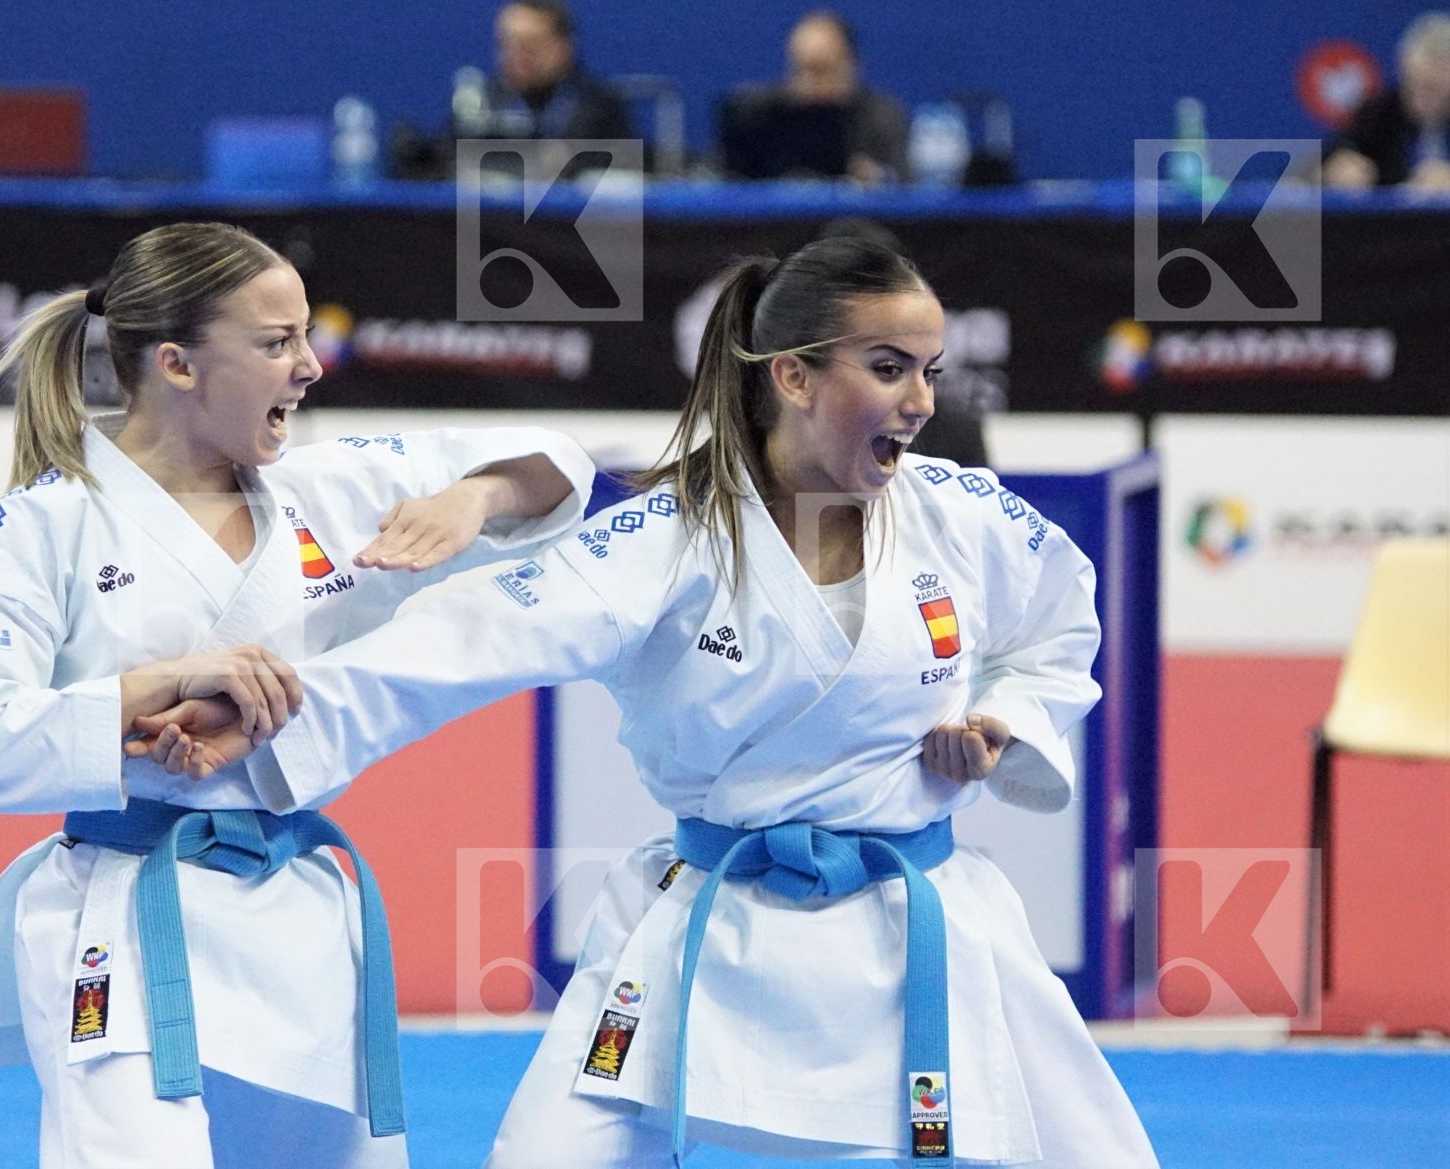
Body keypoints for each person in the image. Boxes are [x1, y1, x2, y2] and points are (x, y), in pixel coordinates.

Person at [142, 235, 1161, 1167]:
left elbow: (1058, 628)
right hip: (712, 925)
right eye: (888, 368)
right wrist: (270, 708)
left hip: (926, 922)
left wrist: (1007, 722)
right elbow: (462, 641)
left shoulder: (963, 514)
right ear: (794, 376)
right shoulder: (668, 536)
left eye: (929, 372)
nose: (922, 401)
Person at [0, 220, 597, 1169]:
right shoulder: (39, 526)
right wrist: (156, 685)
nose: (310, 366)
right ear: (178, 365)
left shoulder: (331, 489)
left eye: (305, 336)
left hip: (296, 916)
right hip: (116, 914)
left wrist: (474, 497)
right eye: (276, 342)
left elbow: (557, 462)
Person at [719, 11, 909, 183]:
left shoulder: (881, 118)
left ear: (851, 65)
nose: (809, 82)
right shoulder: (758, 117)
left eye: (821, 70)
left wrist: (879, 178)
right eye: (799, 70)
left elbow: (904, 180)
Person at [467, 0, 634, 142]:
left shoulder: (599, 106)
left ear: (564, 46)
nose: (518, 56)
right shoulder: (479, 105)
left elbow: (627, 167)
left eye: (531, 44)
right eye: (508, 44)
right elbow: (448, 161)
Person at [1323, 11, 1450, 190]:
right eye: (1414, 86)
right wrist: (1339, 168)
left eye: (1434, 88)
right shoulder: (1378, 112)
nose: (1423, 99)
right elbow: (1331, 158)